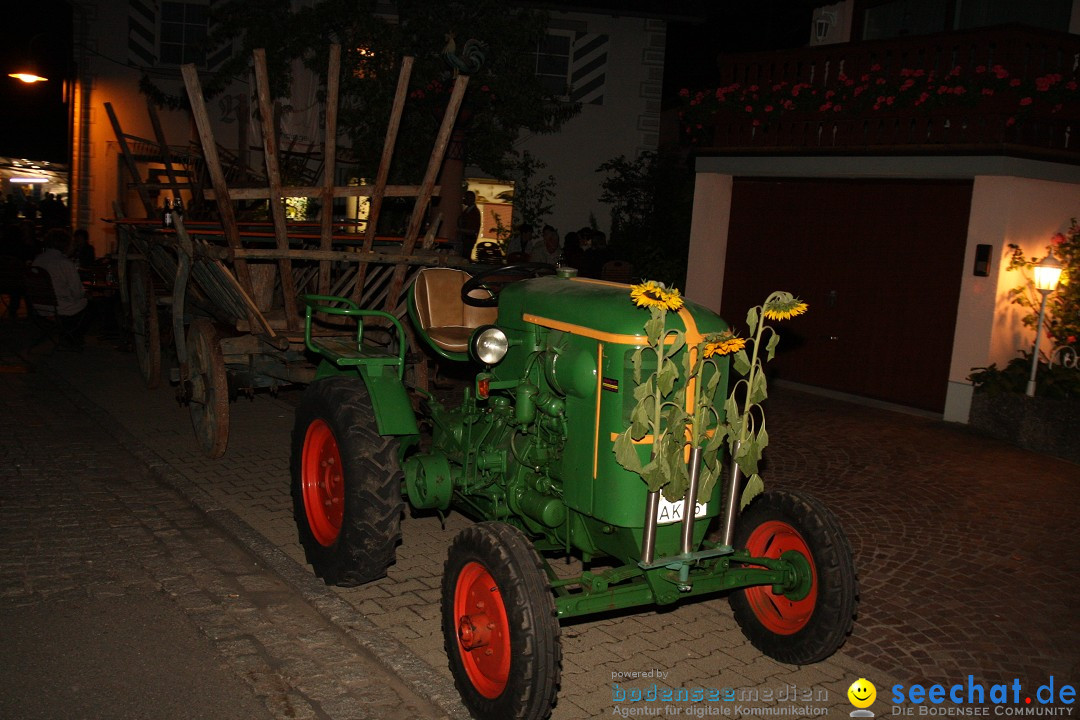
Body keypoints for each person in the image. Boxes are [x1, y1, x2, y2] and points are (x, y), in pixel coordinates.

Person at [32, 228, 88, 349]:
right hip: (59, 306)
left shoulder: (38, 260)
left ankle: (67, 334)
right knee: (91, 304)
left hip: (39, 304)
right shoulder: (64, 263)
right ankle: (72, 336)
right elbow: (77, 291)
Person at [457, 191, 482, 260]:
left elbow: (473, 230)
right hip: (466, 238)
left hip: (468, 239)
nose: (464, 199)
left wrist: (460, 230)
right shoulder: (467, 210)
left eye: (466, 198)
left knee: (465, 258)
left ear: (471, 199)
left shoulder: (474, 212)